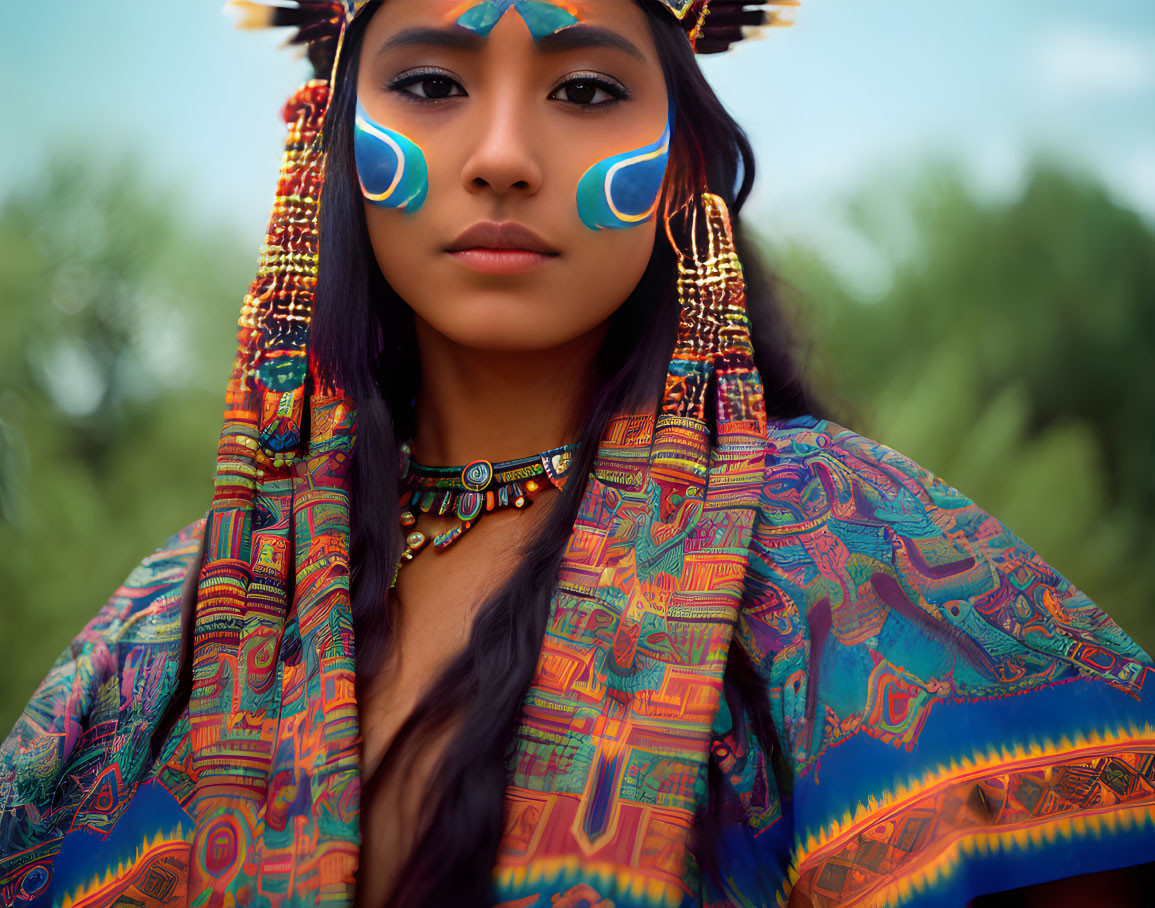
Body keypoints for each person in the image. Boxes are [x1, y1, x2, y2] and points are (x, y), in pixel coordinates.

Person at [2, 1, 1153, 905]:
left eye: (588, 88)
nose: (503, 154)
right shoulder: (185, 619)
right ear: (327, 149)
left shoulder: (845, 542)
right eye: (432, 83)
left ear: (684, 163)